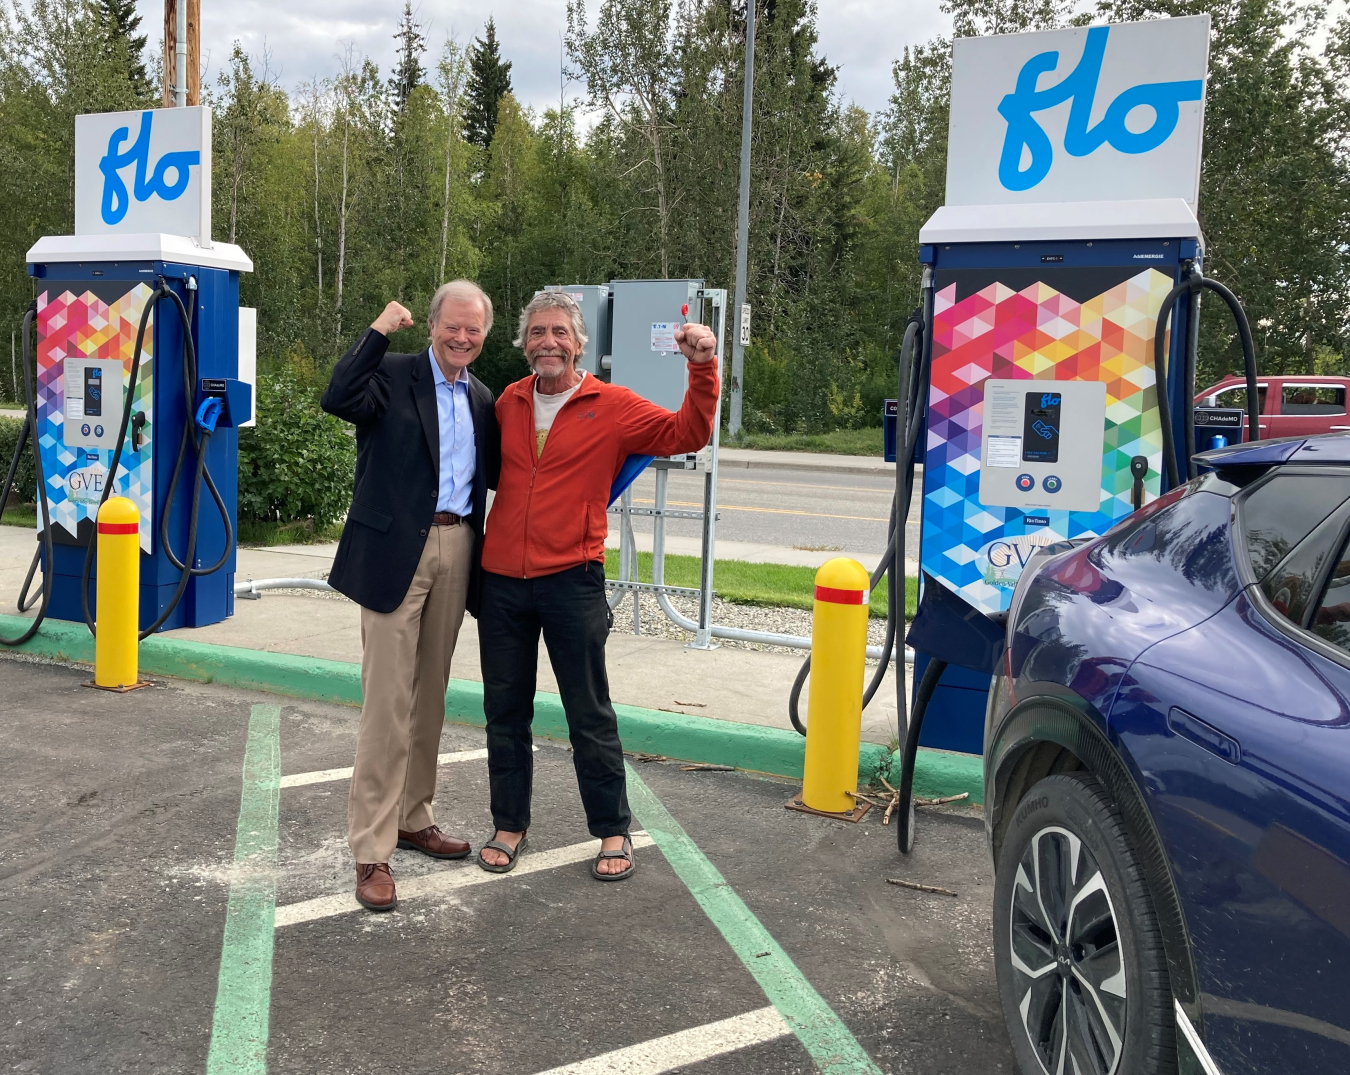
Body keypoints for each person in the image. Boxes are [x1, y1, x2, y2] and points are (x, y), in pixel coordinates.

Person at [476, 291, 718, 880]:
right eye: (536, 333)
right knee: (504, 712)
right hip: (502, 581)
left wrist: (703, 367)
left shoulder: (611, 405)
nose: (548, 342)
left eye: (559, 332)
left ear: (580, 343)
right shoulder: (506, 402)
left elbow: (688, 432)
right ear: (523, 343)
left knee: (589, 712)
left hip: (572, 580)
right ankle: (509, 823)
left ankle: (612, 829)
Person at [321, 281, 500, 912]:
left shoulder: (482, 397)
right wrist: (376, 331)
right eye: (452, 326)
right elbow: (338, 396)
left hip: (458, 546)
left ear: (484, 334)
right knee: (387, 703)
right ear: (431, 325)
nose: (462, 338)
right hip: (397, 551)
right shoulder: (393, 375)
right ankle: (371, 849)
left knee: (431, 694)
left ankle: (413, 816)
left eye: (473, 329)